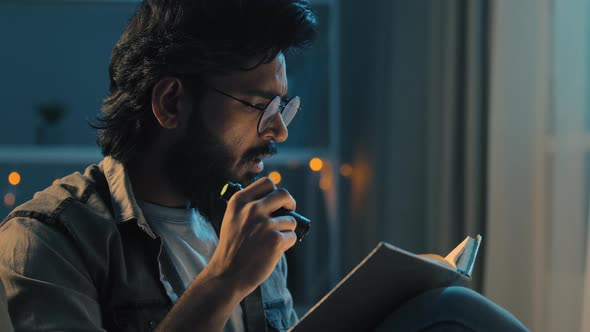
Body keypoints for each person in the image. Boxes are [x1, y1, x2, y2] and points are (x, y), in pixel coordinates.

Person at [0, 0, 528, 331]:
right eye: (262, 108)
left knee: (442, 309)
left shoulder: (244, 220)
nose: (280, 131)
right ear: (170, 104)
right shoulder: (46, 241)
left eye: (285, 108)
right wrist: (224, 280)